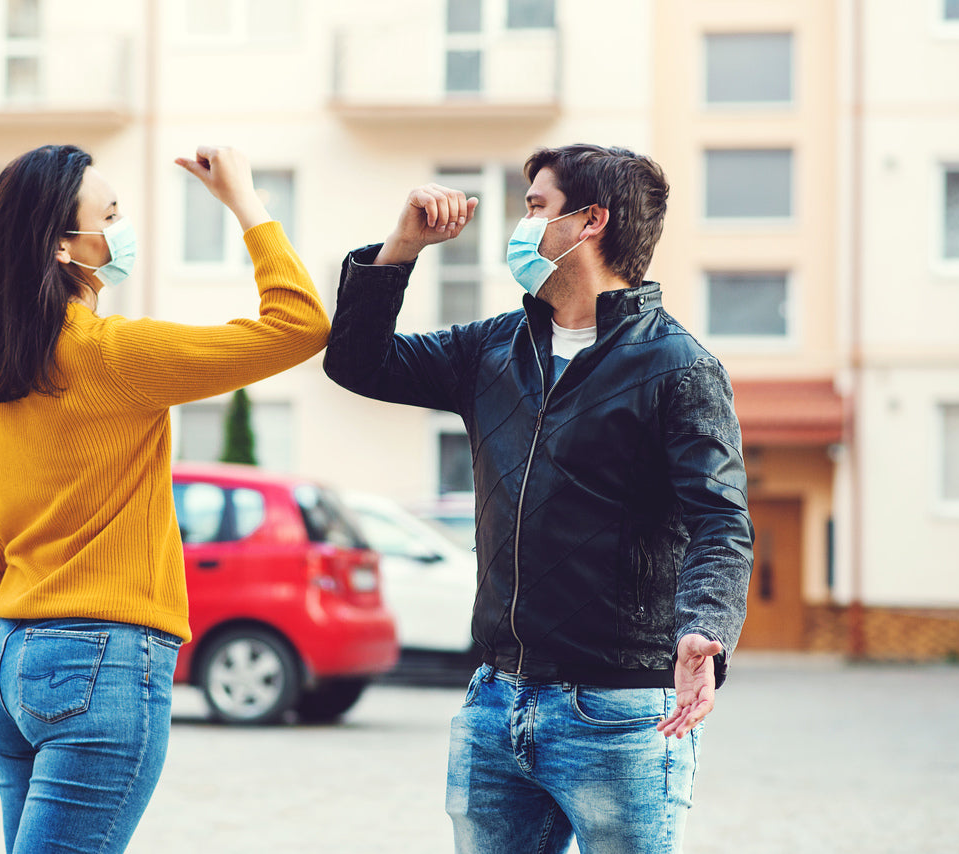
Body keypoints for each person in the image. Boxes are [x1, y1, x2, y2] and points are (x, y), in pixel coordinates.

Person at [323, 143, 753, 854]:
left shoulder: (679, 368)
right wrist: (402, 248)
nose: (519, 228)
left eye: (534, 208)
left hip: (616, 712)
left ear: (589, 223)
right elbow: (357, 361)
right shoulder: (492, 349)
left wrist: (703, 624)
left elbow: (720, 522)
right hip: (496, 700)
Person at [0, 144, 329, 853]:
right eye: (110, 215)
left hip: (11, 659)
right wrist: (245, 201)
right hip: (102, 663)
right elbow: (300, 324)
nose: (124, 229)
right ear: (63, 245)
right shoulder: (113, 355)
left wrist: (39, 616)